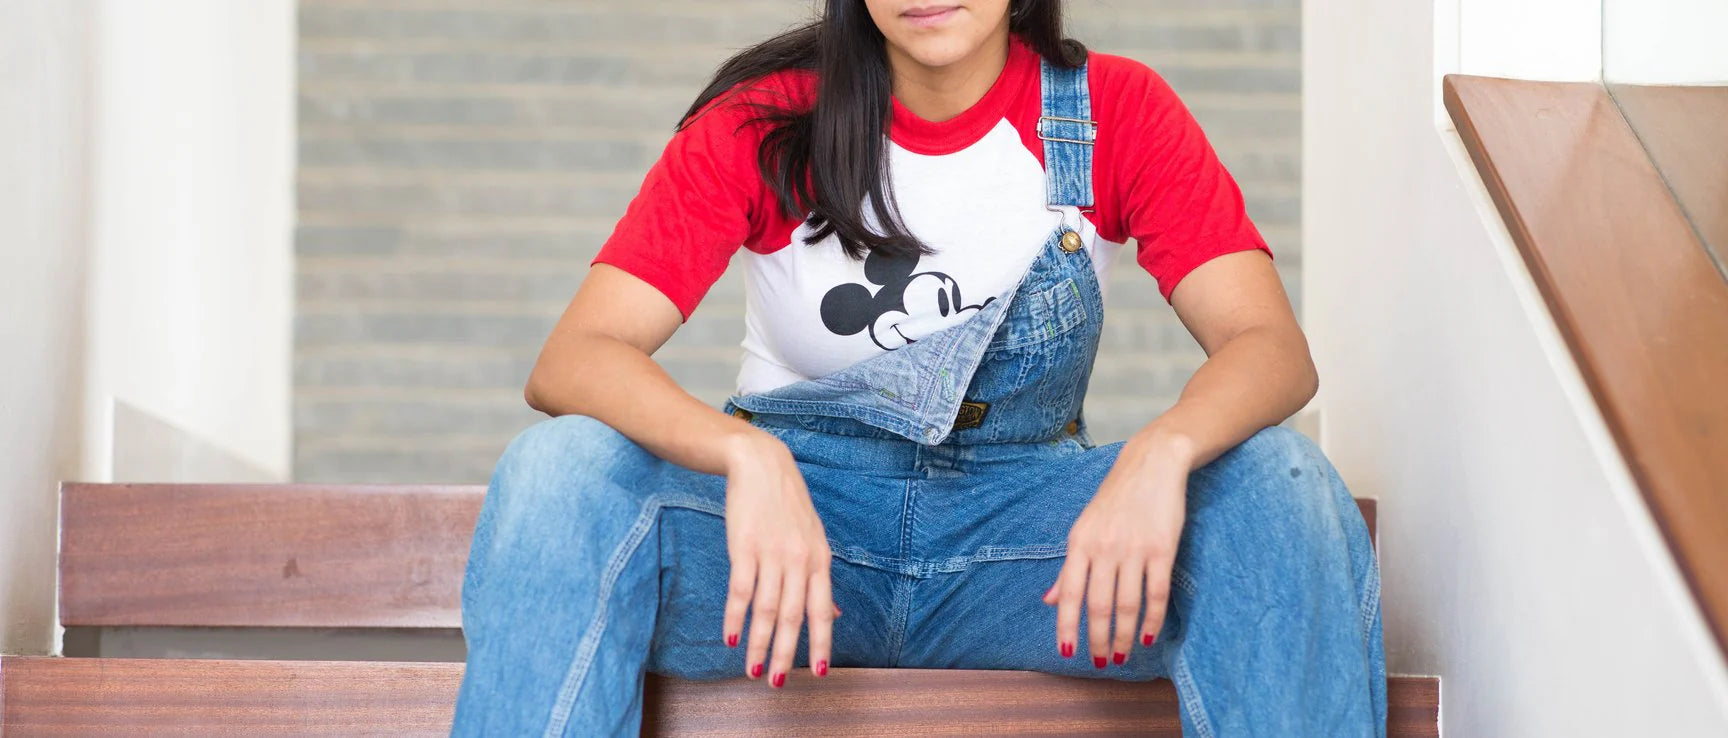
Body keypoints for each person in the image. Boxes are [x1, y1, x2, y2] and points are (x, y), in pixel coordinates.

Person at [449, 1, 1386, 735]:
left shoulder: (1113, 113)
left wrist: (1162, 452)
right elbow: (576, 358)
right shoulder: (767, 119)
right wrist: (748, 459)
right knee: (558, 469)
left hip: (1028, 557)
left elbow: (1272, 350)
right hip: (791, 559)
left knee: (1277, 482)